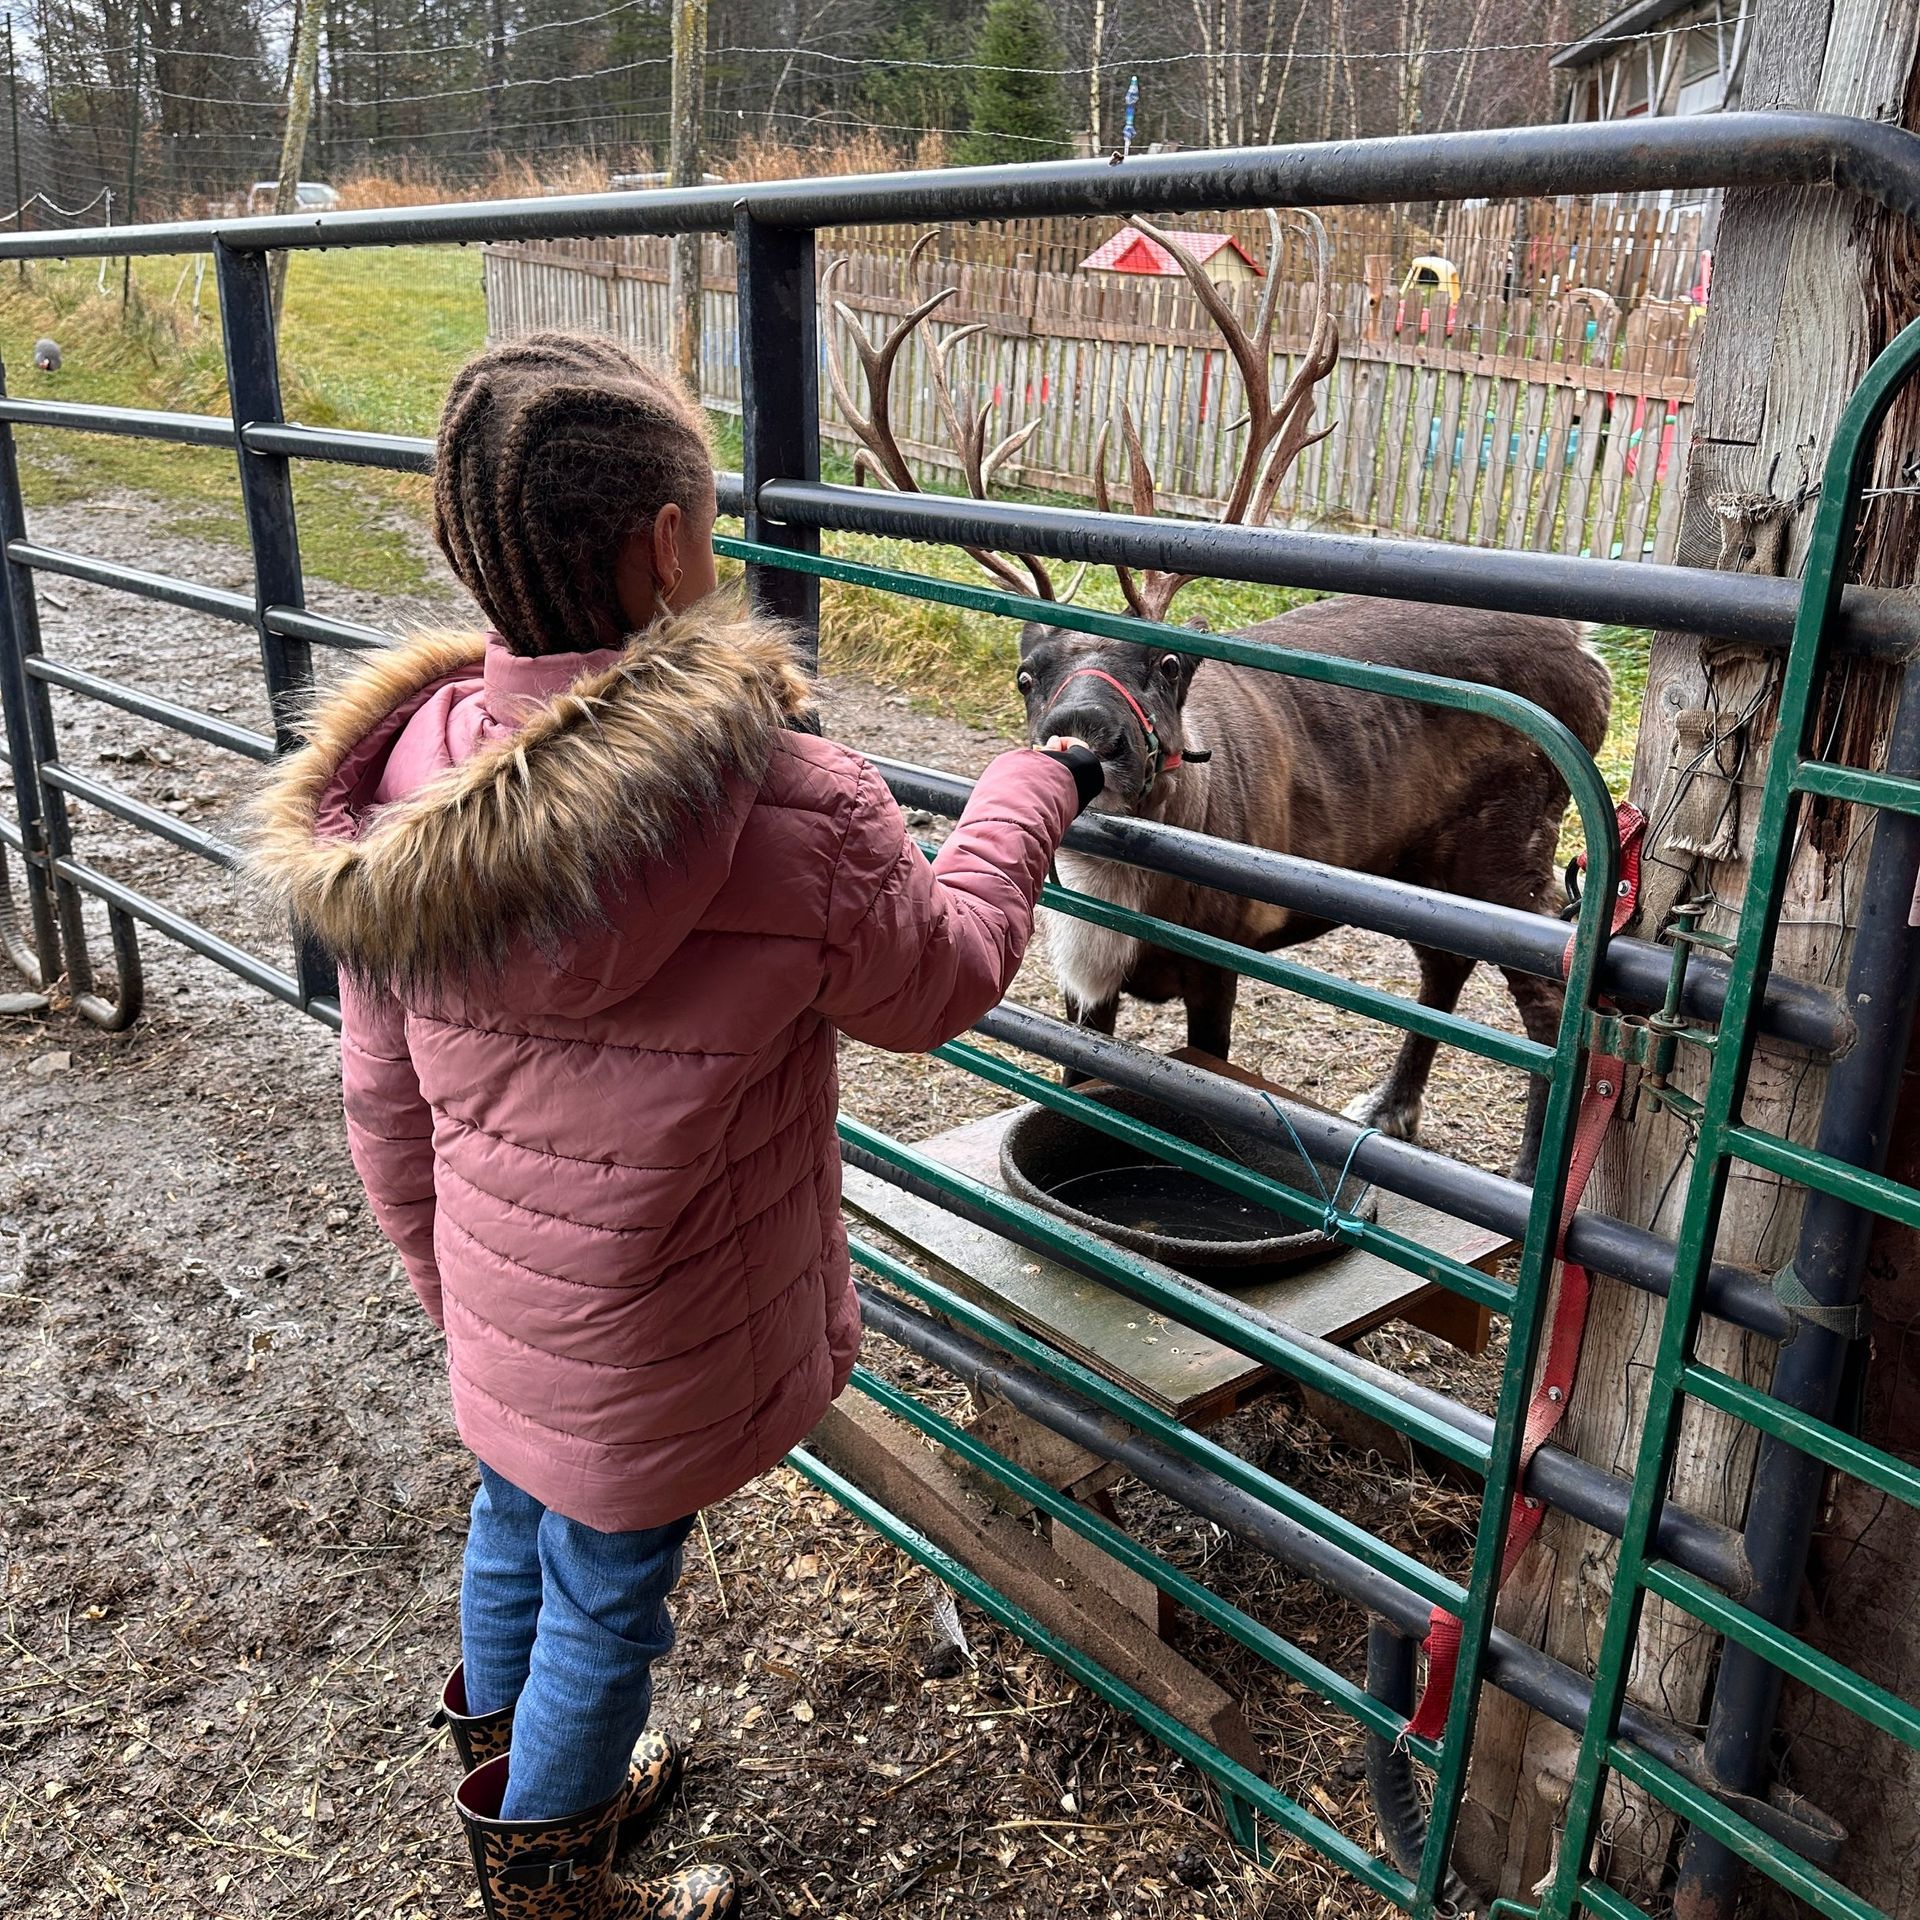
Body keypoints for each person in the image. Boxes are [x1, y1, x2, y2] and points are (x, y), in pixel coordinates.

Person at [249, 331, 1103, 1919]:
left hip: (506, 1305)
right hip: (664, 1336)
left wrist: (463, 1302)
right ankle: (555, 1874)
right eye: (706, 519)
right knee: (610, 1599)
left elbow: (380, 1098)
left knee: (519, 1515)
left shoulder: (404, 797)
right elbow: (947, 978)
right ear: (669, 551)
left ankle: (519, 1788)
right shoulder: (792, 799)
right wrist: (1029, 793)